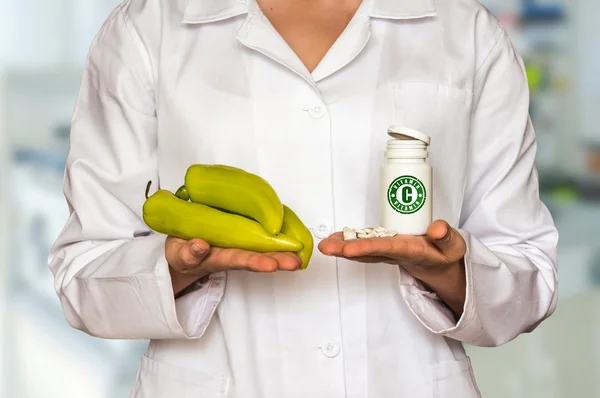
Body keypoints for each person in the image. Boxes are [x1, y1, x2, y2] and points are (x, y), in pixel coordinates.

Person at [49, 0, 559, 396]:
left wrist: (449, 271)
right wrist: (179, 265)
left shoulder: (465, 32)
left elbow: (528, 275)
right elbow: (83, 273)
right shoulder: (148, 29)